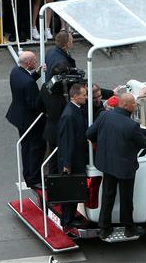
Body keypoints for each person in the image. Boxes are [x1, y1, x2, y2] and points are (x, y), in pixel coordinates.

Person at [86, 92, 146, 239]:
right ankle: (129, 228)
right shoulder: (131, 124)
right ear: (125, 105)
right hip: (125, 167)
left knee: (107, 196)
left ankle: (104, 228)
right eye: (133, 103)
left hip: (106, 164)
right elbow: (142, 143)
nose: (135, 105)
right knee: (126, 199)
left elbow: (90, 133)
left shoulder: (104, 116)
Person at [5, 51, 46, 189]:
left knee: (26, 147)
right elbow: (34, 104)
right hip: (30, 120)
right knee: (35, 148)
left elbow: (25, 83)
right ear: (28, 63)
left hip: (19, 116)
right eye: (34, 60)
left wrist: (37, 73)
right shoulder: (29, 83)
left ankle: (28, 175)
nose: (36, 62)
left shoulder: (16, 71)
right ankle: (33, 178)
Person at [56, 83, 88, 228]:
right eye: (84, 95)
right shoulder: (69, 115)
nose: (86, 97)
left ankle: (69, 216)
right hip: (73, 160)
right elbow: (67, 141)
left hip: (76, 157)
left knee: (73, 189)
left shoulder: (74, 109)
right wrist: (67, 164)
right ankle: (67, 220)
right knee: (71, 190)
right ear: (75, 96)